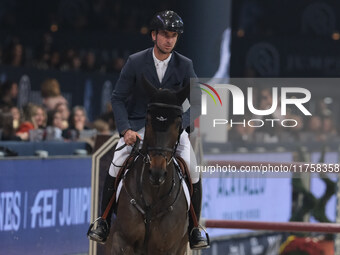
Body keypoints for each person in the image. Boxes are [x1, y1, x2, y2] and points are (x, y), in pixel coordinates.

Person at [88, 10, 209, 249]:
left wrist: (181, 124)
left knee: (193, 170)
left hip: (171, 130)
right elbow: (118, 98)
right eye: (165, 34)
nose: (169, 40)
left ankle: (195, 229)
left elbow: (197, 102)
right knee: (117, 162)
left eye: (173, 35)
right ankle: (102, 222)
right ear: (154, 35)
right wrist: (125, 130)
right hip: (139, 126)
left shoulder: (185, 65)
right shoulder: (135, 62)